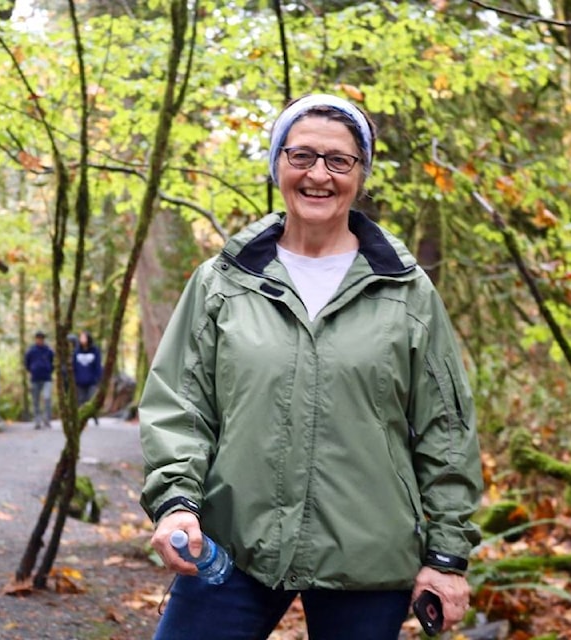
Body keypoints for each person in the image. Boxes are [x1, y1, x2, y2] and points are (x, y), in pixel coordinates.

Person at [139, 94, 483, 640]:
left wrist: (446, 555)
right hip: (232, 545)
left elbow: (447, 429)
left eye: (338, 160)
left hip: (368, 553)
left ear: (360, 174)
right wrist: (176, 502)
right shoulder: (222, 281)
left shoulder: (406, 290)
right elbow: (179, 405)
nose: (318, 174)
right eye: (301, 156)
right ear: (278, 164)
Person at [24, 330, 54, 429]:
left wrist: (49, 370)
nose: (40, 340)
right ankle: (37, 420)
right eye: (38, 338)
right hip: (35, 378)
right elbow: (27, 364)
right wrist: (32, 370)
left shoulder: (48, 350)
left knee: (47, 398)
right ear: (36, 339)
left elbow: (53, 362)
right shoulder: (31, 351)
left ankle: (47, 419)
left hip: (47, 378)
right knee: (35, 400)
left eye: (41, 338)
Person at [72, 330, 103, 426]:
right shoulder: (76, 351)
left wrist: (98, 378)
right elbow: (73, 366)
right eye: (80, 337)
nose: (81, 339)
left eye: (83, 337)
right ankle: (81, 418)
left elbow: (98, 366)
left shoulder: (95, 351)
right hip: (79, 381)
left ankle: (95, 417)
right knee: (80, 400)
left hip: (92, 381)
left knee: (91, 399)